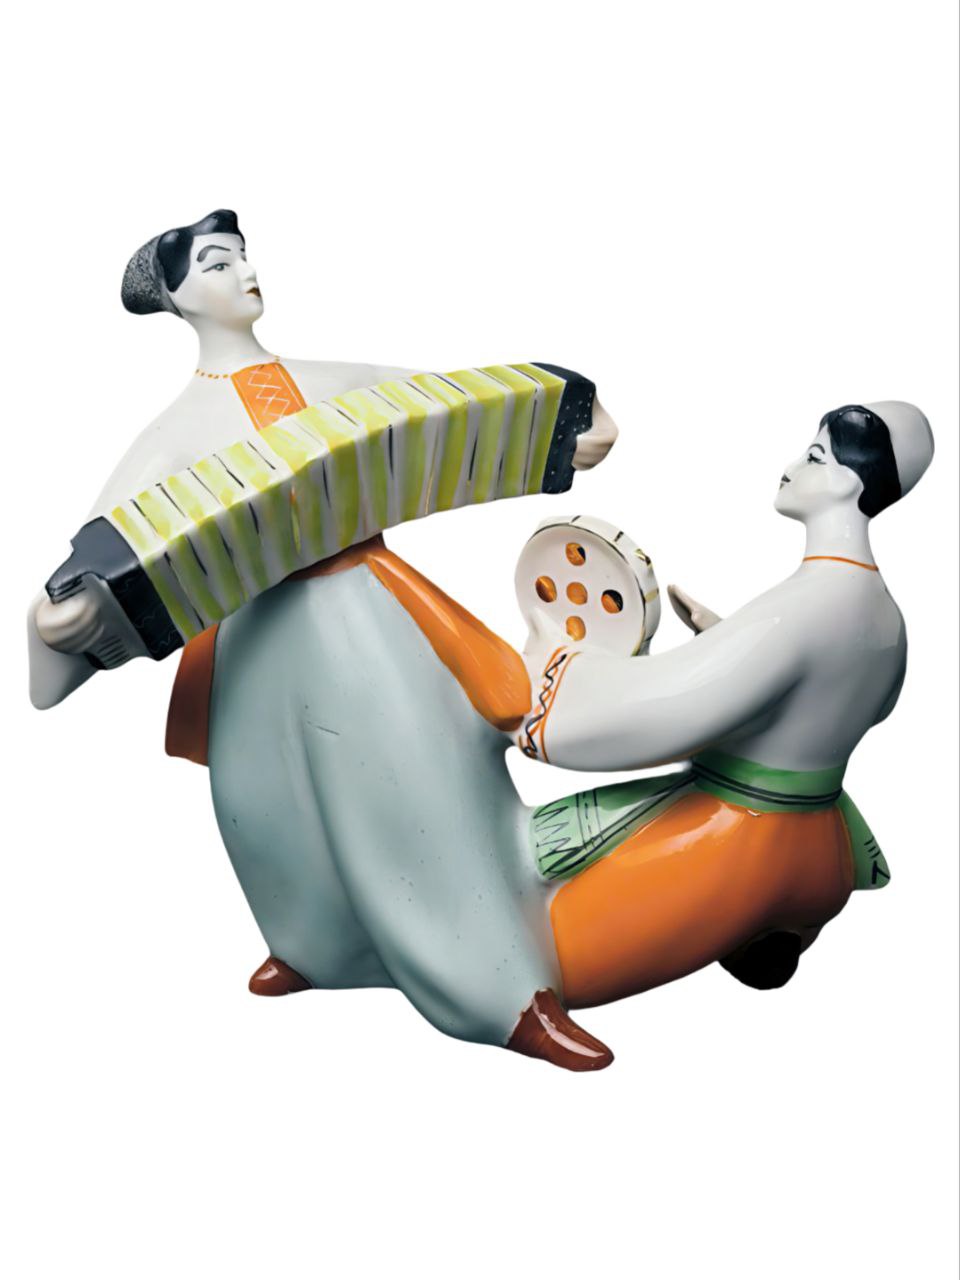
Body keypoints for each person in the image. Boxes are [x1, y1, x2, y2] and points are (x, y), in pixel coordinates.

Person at [29, 210, 621, 1071]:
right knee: (267, 807)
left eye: (243, 257)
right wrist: (62, 614)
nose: (245, 272)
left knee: (419, 793)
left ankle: (503, 992)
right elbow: (105, 540)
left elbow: (449, 402)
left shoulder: (329, 381)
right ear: (180, 300)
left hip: (358, 616)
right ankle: (313, 945)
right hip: (253, 640)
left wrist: (560, 417)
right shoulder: (175, 432)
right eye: (217, 264)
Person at [520, 402, 933, 1008]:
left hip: (738, 842)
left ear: (848, 481)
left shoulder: (806, 604)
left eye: (815, 456)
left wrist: (550, 672)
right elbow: (866, 704)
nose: (792, 467)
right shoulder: (888, 617)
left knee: (532, 932)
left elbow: (667, 715)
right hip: (827, 850)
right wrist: (727, 640)